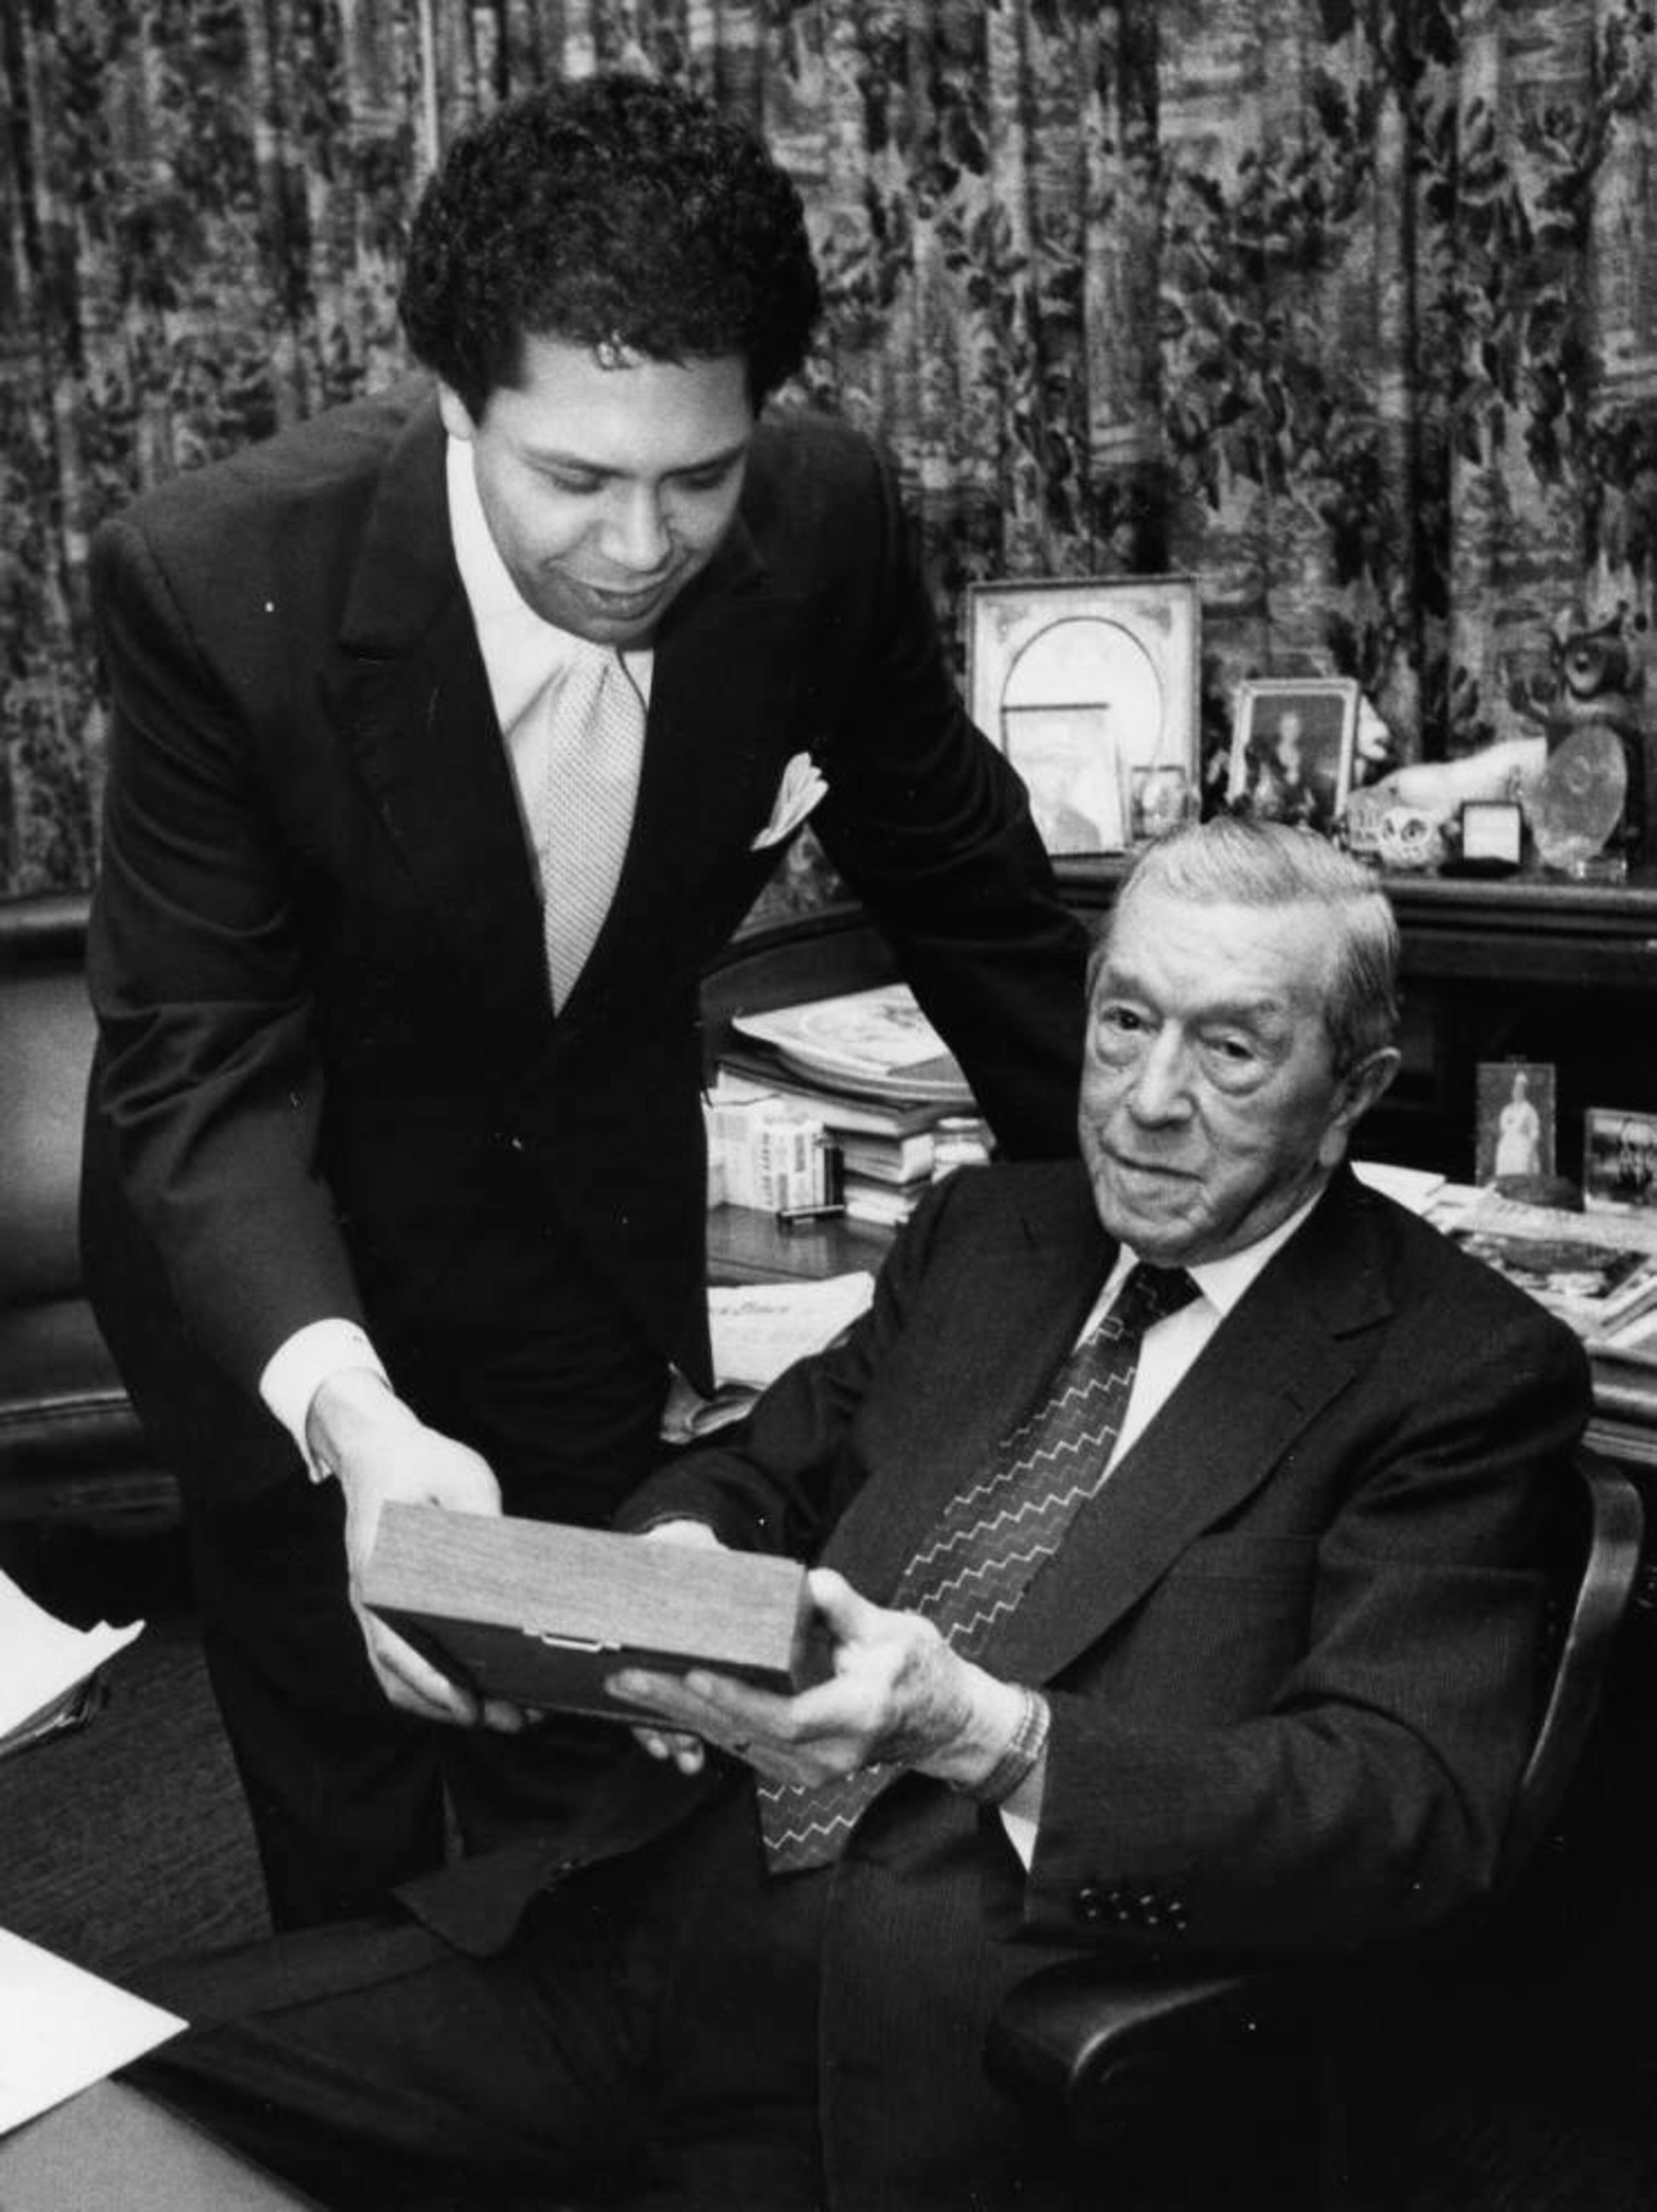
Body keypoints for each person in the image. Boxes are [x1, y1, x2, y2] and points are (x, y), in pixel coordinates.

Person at [129, 818, 1590, 2211]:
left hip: (936, 2055)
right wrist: (675, 1562)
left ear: (1352, 1089)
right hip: (635, 1911)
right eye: (1126, 1021)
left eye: (1232, 1050)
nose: (1149, 1100)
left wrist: (980, 1729)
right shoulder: (990, 1237)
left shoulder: (1457, 1371)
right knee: (81, 2071)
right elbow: (756, 1472)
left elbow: (1401, 1810)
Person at [79, 73, 1089, 1930]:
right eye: (574, 479)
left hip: (571, 1245)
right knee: (353, 1795)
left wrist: (1144, 1204)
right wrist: (362, 1425)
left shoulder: (829, 521)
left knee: (614, 1744)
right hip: (280, 1288)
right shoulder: (215, 582)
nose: (639, 547)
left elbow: (970, 890)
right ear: (458, 400)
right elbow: (199, 1064)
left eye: (696, 479)